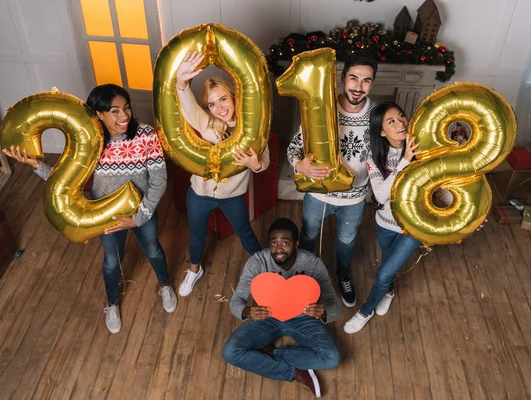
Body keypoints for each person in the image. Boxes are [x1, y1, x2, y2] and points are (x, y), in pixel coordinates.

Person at [3, 84, 177, 334]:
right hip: (103, 214)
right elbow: (65, 184)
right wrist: (36, 165)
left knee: (153, 250)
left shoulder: (146, 135)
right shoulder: (89, 144)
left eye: (126, 108)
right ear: (98, 114)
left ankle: (165, 285)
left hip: (142, 210)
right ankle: (112, 303)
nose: (124, 116)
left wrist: (138, 218)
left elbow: (159, 181)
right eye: (115, 111)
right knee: (110, 262)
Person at [174, 51, 270, 297]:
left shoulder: (253, 127)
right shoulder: (208, 124)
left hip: (233, 196)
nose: (220, 108)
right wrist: (181, 82)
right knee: (196, 235)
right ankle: (194, 270)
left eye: (223, 99)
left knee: (245, 233)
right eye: (212, 104)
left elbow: (265, 162)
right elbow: (188, 107)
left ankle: (267, 269)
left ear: (234, 96)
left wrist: (254, 164)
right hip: (200, 193)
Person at [287, 49, 378, 307]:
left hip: (356, 197)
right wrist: (300, 165)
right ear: (342, 78)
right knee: (309, 234)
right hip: (319, 195)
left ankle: (343, 274)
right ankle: (303, 276)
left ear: (372, 83)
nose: (358, 87)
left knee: (347, 240)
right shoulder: (322, 108)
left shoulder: (378, 116)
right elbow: (293, 148)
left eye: (366, 80)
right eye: (353, 78)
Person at [222, 218, 342, 398]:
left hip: (302, 318)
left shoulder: (312, 264)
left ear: (296, 244)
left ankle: (270, 352)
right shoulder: (258, 262)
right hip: (267, 315)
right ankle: (294, 373)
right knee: (230, 352)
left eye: (285, 243)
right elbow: (236, 301)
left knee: (332, 358)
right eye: (273, 243)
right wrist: (248, 312)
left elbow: (335, 306)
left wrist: (323, 311)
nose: (278, 249)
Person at [343, 102, 422, 334]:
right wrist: (404, 161)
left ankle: (364, 312)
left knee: (385, 272)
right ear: (381, 131)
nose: (401, 123)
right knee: (389, 265)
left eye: (401, 116)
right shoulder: (373, 156)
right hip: (385, 224)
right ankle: (389, 292)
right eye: (391, 122)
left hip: (412, 227)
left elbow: (439, 189)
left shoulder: (422, 150)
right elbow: (381, 194)